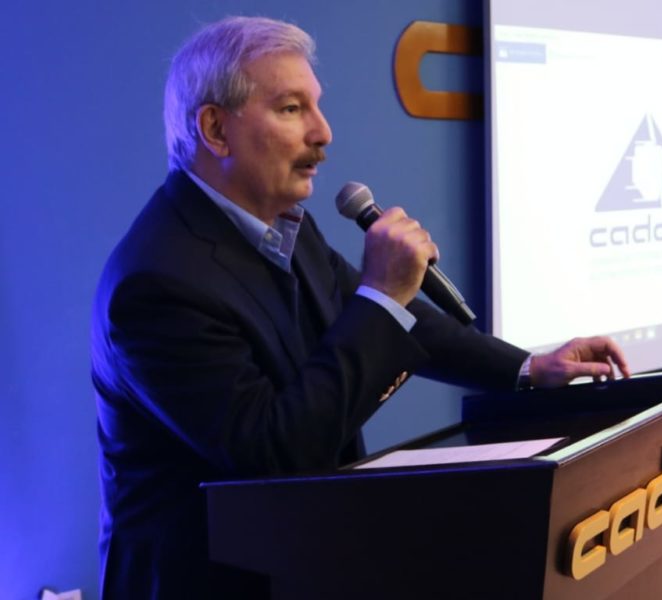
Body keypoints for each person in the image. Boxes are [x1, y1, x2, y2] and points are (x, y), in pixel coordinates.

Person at [91, 16, 629, 599]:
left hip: (302, 559)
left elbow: (400, 320)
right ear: (215, 130)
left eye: (316, 106)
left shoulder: (286, 226)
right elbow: (274, 453)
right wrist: (383, 293)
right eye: (291, 108)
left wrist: (527, 367)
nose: (323, 132)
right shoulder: (156, 284)